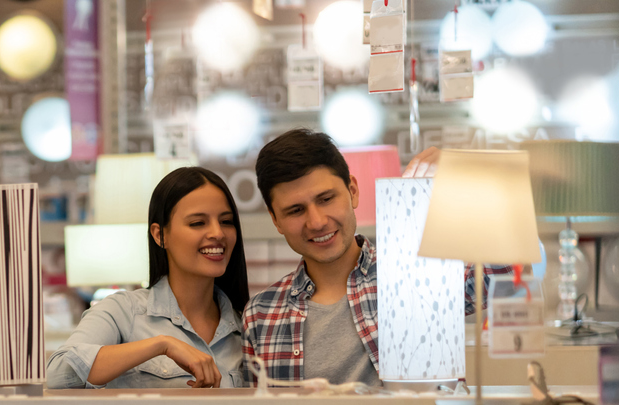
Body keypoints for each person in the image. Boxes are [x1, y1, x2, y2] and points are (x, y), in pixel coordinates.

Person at [242, 130, 508, 386]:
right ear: (275, 219)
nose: (317, 222)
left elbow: (510, 269)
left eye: (326, 199)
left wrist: (467, 177)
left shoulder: (421, 273)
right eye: (295, 210)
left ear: (353, 191)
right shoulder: (261, 314)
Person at [47, 166, 249, 389]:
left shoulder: (247, 325)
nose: (218, 233)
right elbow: (57, 375)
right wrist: (162, 344)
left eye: (226, 221)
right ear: (160, 235)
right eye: (197, 223)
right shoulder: (123, 312)